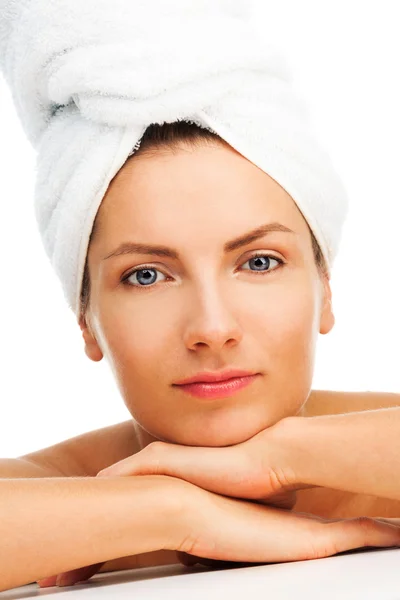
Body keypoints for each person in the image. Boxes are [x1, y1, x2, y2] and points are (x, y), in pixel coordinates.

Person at [1, 0, 399, 593]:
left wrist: (280, 459)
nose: (212, 328)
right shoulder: (48, 489)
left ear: (325, 292)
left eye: (258, 262)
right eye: (146, 275)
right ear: (86, 321)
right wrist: (170, 510)